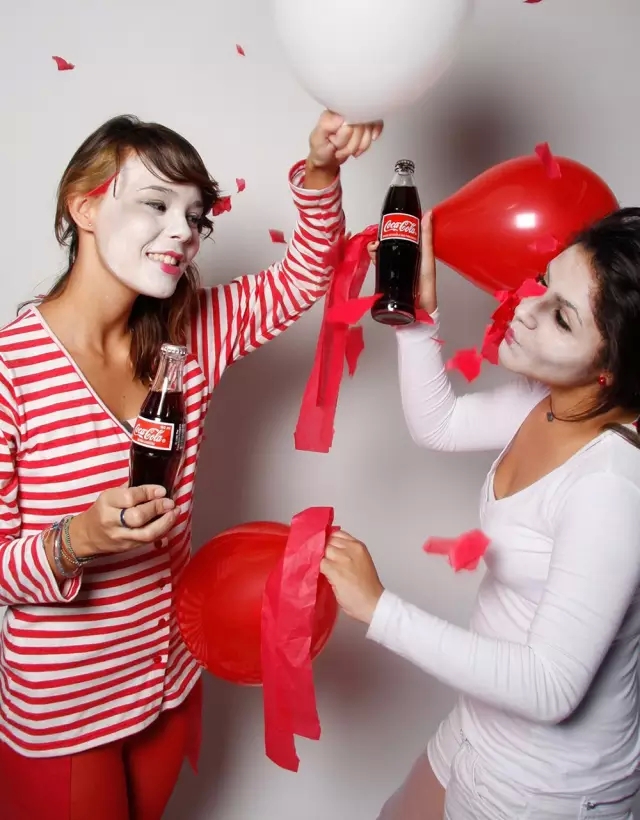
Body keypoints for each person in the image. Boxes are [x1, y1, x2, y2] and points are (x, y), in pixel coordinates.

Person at [0, 109, 382, 820]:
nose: (183, 230)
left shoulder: (193, 331)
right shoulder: (11, 372)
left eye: (195, 215)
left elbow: (306, 275)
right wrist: (76, 539)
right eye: (156, 204)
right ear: (84, 207)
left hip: (167, 683)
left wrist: (321, 169)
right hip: (65, 713)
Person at [320, 209, 640, 819]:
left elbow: (550, 688)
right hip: (479, 729)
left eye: (562, 317)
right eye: (543, 282)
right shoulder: (551, 403)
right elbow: (439, 426)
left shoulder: (612, 487)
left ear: (612, 369)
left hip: (547, 787)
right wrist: (417, 322)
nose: (526, 308)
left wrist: (379, 608)